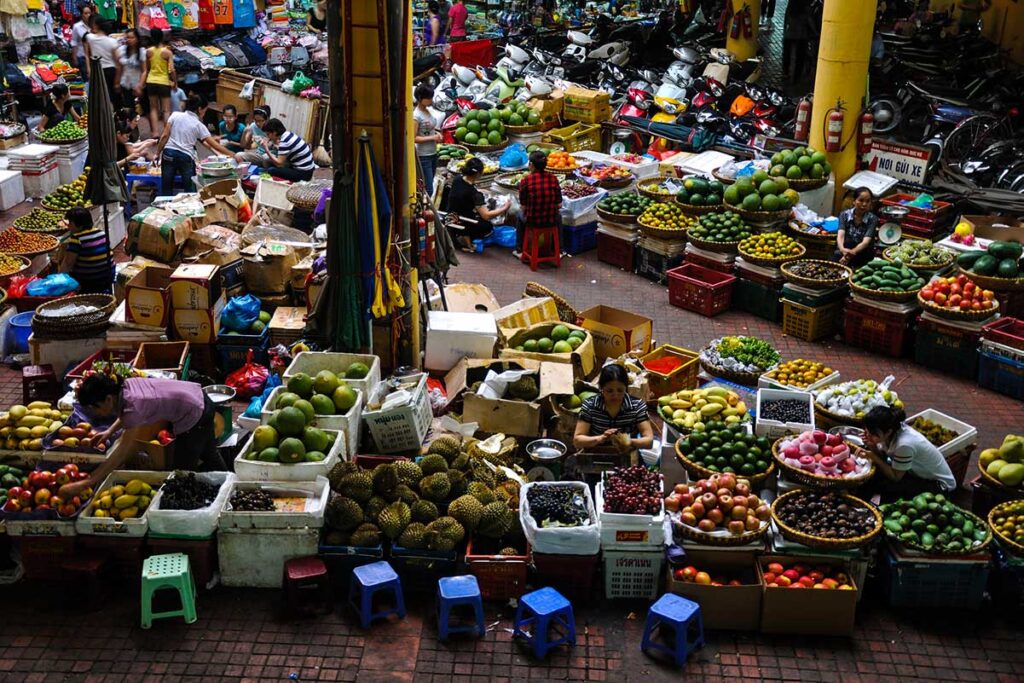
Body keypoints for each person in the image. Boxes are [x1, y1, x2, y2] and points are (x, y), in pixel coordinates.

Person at [57, 374, 225, 501]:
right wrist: (109, 431)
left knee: (182, 473)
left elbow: (122, 451)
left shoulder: (133, 407)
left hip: (194, 413)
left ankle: (191, 508)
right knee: (209, 453)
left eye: (95, 408)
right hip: (200, 397)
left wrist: (88, 482)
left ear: (108, 399)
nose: (95, 413)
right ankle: (228, 483)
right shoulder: (125, 385)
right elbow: (126, 413)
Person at [861, 406, 956, 502]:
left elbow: (895, 477)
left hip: (939, 485)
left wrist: (873, 456)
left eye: (873, 433)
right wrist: (873, 447)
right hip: (913, 473)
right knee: (877, 476)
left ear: (888, 432)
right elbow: (884, 458)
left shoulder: (904, 445)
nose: (868, 435)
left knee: (887, 486)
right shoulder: (893, 431)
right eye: (867, 431)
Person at [155, 93, 234, 194]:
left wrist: (157, 153)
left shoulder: (175, 115)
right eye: (205, 111)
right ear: (200, 109)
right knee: (190, 189)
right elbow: (215, 144)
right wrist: (232, 154)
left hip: (168, 153)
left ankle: (164, 206)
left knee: (166, 187)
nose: (204, 114)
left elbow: (164, 136)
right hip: (185, 156)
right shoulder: (198, 125)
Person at [573, 364, 654, 455]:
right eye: (609, 391)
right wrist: (600, 438)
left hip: (626, 456)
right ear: (601, 388)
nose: (615, 395)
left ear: (626, 388)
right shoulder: (590, 406)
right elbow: (577, 441)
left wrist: (627, 441)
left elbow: (649, 441)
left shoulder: (637, 406)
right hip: (597, 454)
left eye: (620, 390)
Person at [447, 156, 507, 250]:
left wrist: (479, 190)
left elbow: (465, 191)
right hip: (463, 223)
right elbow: (486, 215)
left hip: (450, 217)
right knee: (488, 226)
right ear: (479, 174)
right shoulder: (474, 194)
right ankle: (467, 238)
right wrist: (505, 208)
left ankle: (462, 236)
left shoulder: (457, 179)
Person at [517, 150, 562, 258]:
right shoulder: (553, 179)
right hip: (550, 220)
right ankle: (559, 250)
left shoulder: (525, 181)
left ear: (531, 165)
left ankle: (519, 250)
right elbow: (559, 205)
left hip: (533, 221)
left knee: (519, 216)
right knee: (559, 217)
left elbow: (523, 208)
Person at [61, 207, 113, 295]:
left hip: (89, 280)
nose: (68, 225)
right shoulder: (101, 233)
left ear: (79, 225)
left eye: (70, 223)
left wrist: (59, 278)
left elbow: (69, 263)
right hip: (108, 275)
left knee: (65, 266)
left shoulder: (77, 239)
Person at [140, 28, 175, 137]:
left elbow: (147, 69)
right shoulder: (167, 52)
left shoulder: (148, 52)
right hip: (164, 82)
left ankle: (155, 132)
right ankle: (166, 132)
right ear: (162, 37)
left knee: (153, 108)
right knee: (165, 110)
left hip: (151, 82)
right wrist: (174, 81)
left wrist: (143, 83)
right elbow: (172, 70)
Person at [835, 187, 878, 268]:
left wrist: (850, 254)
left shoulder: (873, 219)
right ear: (854, 201)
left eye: (868, 201)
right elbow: (840, 235)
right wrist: (842, 249)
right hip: (845, 250)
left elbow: (865, 242)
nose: (864, 204)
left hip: (862, 253)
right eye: (861, 200)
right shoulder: (844, 215)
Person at [413, 85, 442, 194]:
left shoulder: (428, 111)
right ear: (420, 98)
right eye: (428, 98)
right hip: (423, 155)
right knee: (428, 189)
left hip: (433, 153)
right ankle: (424, 210)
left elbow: (429, 129)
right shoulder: (416, 116)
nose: (431, 100)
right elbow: (414, 138)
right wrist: (433, 137)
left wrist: (437, 134)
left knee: (429, 185)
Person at [84, 18, 118, 97]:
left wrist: (89, 70)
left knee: (100, 94)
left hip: (98, 69)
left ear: (97, 26)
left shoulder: (90, 37)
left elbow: (87, 54)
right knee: (112, 95)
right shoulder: (113, 41)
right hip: (111, 70)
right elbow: (117, 61)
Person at [783, 0, 813, 83]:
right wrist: (815, 31)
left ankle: (786, 73)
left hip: (790, 32)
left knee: (787, 54)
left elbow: (786, 15)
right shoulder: (806, 5)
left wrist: (785, 28)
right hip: (801, 34)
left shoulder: (791, 3)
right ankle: (796, 78)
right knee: (800, 57)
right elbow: (809, 19)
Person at [115, 29, 145, 110]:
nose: (129, 40)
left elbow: (144, 71)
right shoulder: (122, 50)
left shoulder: (142, 52)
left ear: (137, 39)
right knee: (127, 109)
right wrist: (117, 83)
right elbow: (119, 67)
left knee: (141, 109)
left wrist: (140, 86)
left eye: (132, 38)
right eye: (127, 37)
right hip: (125, 83)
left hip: (137, 84)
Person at [71, 4, 94, 76]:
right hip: (82, 56)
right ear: (81, 15)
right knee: (86, 77)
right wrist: (74, 57)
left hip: (94, 56)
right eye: (86, 13)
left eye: (89, 13)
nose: (88, 15)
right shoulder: (77, 27)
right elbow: (74, 42)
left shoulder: (95, 25)